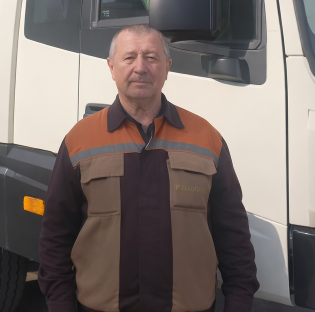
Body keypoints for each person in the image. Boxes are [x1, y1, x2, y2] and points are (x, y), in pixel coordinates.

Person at [38, 24, 259, 312]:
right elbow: (55, 237)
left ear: (167, 67)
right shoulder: (79, 140)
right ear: (111, 67)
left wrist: (239, 302)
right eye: (129, 57)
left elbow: (233, 235)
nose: (140, 67)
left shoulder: (207, 139)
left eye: (152, 58)